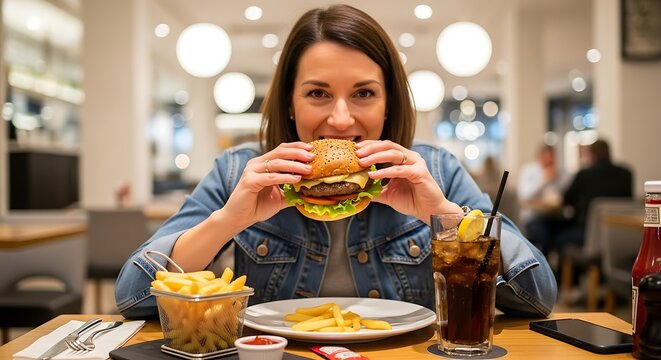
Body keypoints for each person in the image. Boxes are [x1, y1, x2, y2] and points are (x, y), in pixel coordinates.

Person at [115, 4, 556, 319]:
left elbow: (538, 296)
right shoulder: (240, 170)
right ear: (289, 104)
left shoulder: (434, 170)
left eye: (363, 93)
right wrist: (229, 221)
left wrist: (444, 218)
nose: (341, 119)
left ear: (388, 104)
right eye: (317, 93)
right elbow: (133, 296)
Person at [525, 139, 632, 256]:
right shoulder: (627, 174)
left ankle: (559, 272)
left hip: (587, 233)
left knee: (557, 237)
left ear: (591, 155)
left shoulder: (584, 174)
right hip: (618, 234)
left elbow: (567, 200)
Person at [518, 144, 569, 229]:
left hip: (554, 215)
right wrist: (544, 181)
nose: (549, 163)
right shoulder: (528, 171)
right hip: (533, 216)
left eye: (552, 160)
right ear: (540, 157)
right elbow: (524, 196)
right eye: (547, 159)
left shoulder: (560, 173)